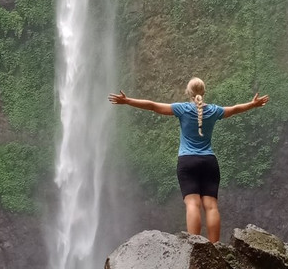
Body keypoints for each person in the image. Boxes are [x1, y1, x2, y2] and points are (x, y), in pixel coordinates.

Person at [108, 77, 269, 243]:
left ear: (188, 93)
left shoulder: (182, 109)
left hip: (187, 162)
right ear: (204, 92)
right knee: (211, 206)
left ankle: (196, 246)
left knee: (193, 204)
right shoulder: (214, 111)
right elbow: (235, 109)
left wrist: (127, 101)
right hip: (209, 162)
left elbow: (153, 106)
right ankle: (215, 247)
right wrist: (253, 104)